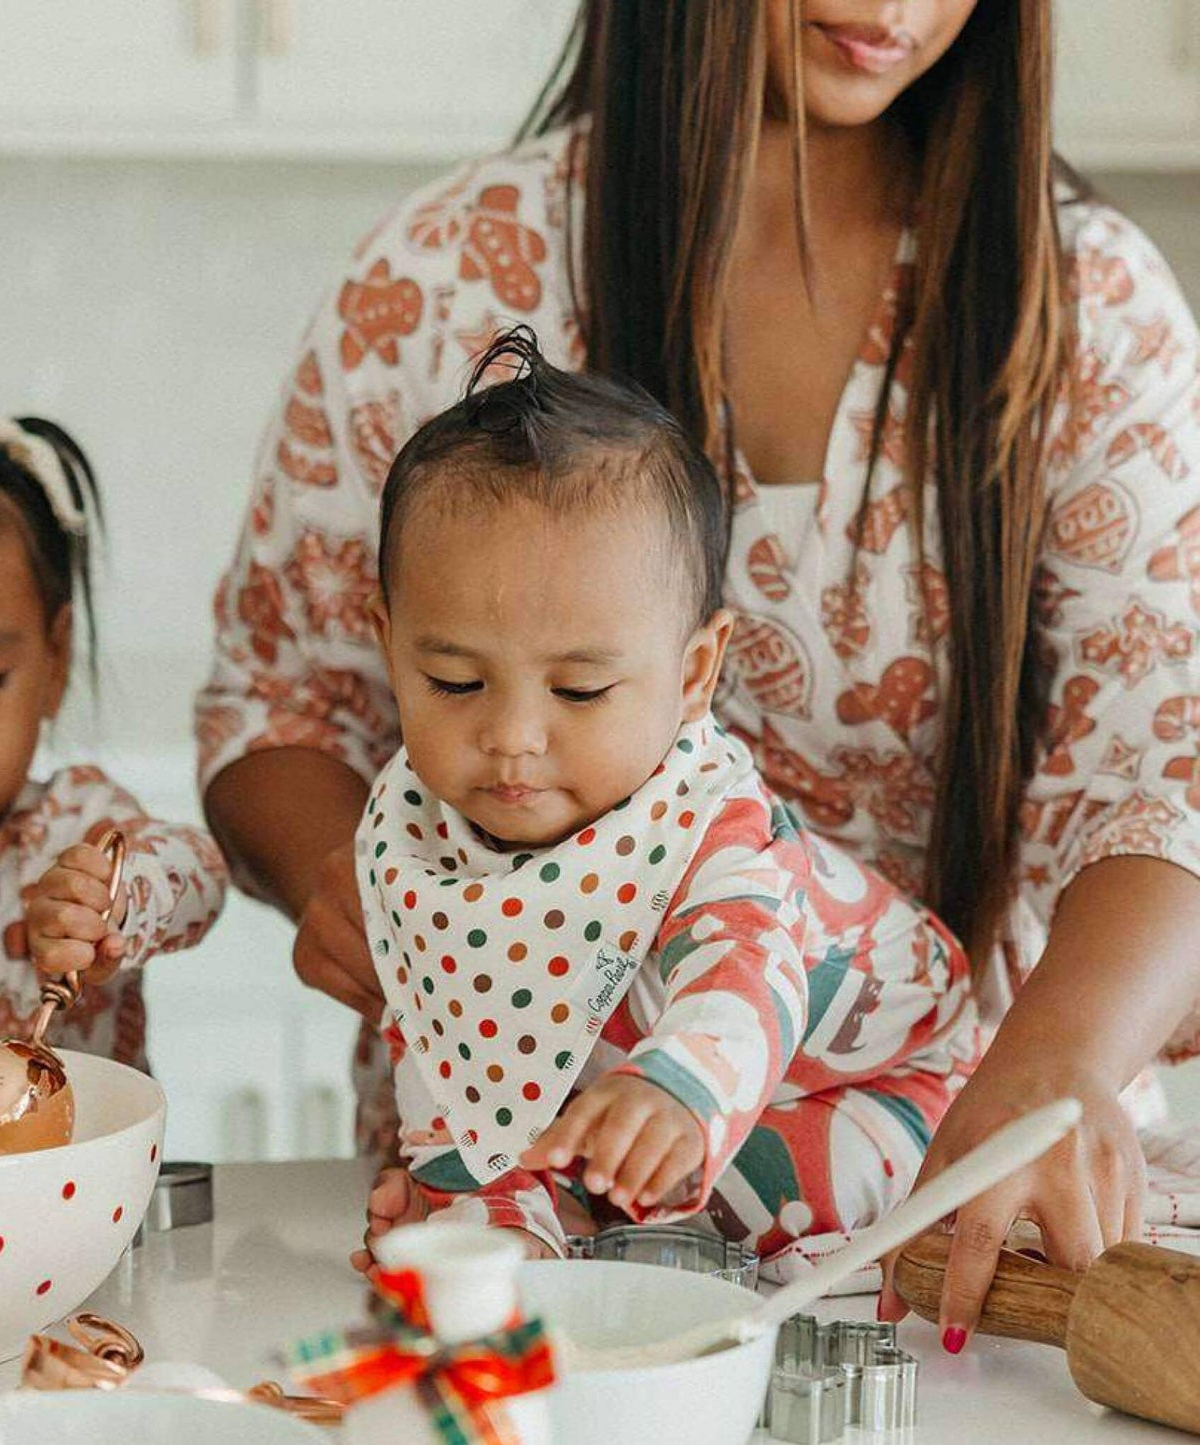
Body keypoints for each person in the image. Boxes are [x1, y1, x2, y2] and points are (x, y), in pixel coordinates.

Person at [198, 0, 1200, 1350]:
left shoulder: (1084, 303)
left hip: (956, 1197)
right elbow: (278, 701)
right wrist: (356, 887)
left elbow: (1179, 756)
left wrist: (1054, 1066)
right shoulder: (446, 273)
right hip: (529, 1217)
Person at [345, 329, 974, 1270]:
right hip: (671, 1107)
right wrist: (474, 1226)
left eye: (580, 691)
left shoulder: (713, 824)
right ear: (389, 642)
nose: (513, 735)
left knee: (751, 1199)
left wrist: (680, 1084)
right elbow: (449, 1068)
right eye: (453, 681)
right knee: (477, 1210)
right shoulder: (414, 846)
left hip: (887, 1081)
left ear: (692, 675)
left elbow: (743, 979)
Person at [0, 404, 227, 1065]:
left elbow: (202, 874)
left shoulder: (70, 827)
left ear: (54, 660)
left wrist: (111, 905)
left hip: (76, 1173)